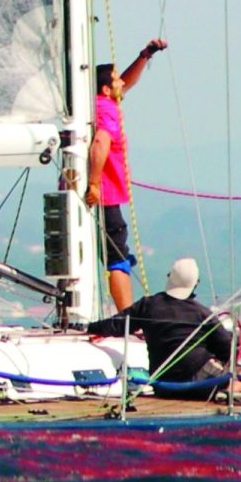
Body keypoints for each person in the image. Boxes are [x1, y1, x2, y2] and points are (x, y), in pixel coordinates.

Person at [85, 257, 241, 404]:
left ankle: (226, 392)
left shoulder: (148, 305)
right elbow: (227, 349)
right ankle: (229, 393)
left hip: (163, 385)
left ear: (169, 277)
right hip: (200, 384)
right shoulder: (202, 314)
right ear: (196, 284)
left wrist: (88, 328)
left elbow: (117, 324)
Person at [84, 37, 166, 313]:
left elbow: (127, 83)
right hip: (102, 195)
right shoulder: (106, 109)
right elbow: (101, 143)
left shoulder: (101, 102)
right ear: (107, 89)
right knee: (117, 258)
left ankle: (127, 315)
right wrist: (94, 184)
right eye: (116, 80)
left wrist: (145, 55)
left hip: (106, 194)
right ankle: (126, 317)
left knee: (119, 254)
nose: (123, 83)